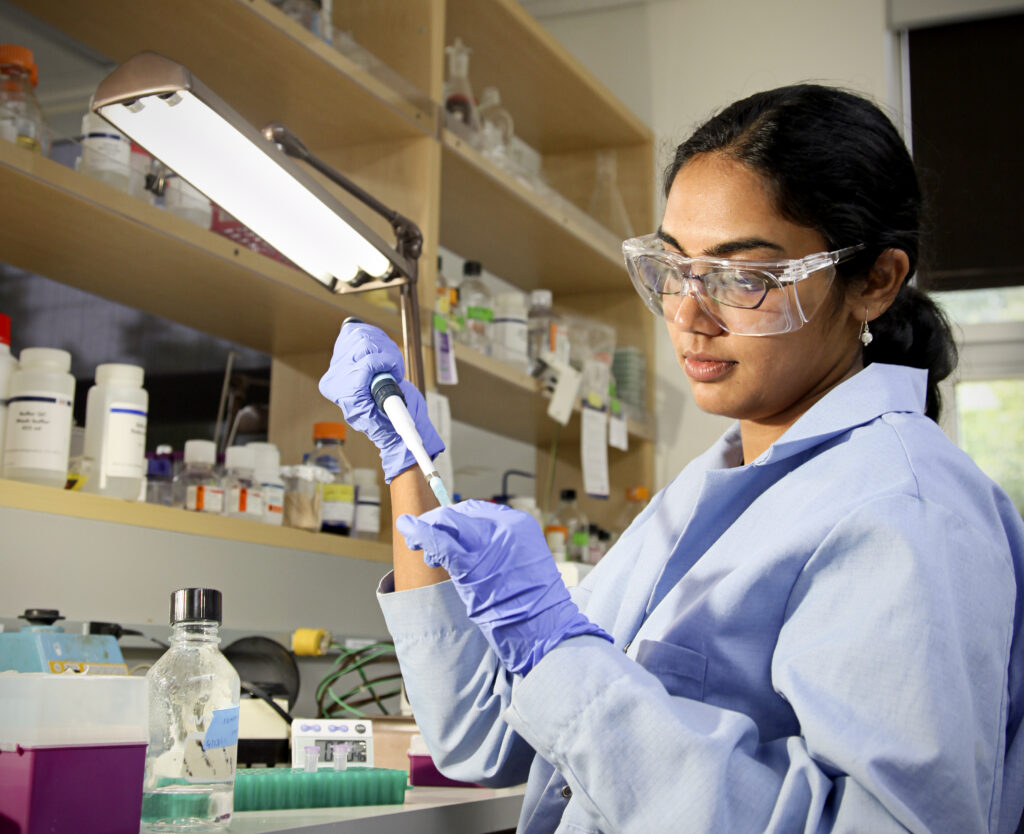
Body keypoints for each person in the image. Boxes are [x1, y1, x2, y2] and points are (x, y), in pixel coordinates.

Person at [318, 84, 1024, 833]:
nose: (688, 315)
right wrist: (402, 459)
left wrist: (563, 654)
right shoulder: (707, 489)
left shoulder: (903, 509)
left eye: (742, 277)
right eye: (675, 266)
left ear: (875, 283)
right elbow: (478, 737)